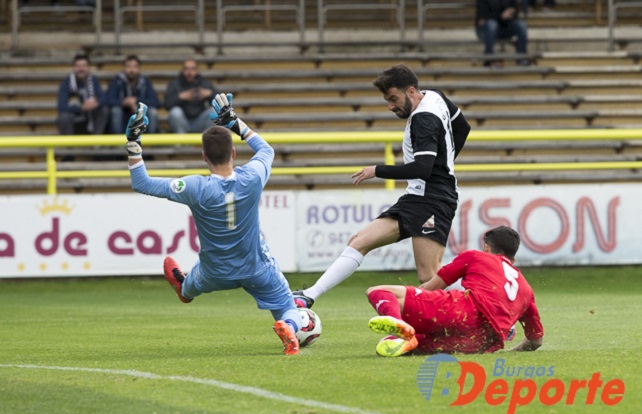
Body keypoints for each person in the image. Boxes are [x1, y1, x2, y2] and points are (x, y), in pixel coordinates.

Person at [124, 94, 302, 355]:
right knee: (289, 309)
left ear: (204, 156)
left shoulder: (195, 187)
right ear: (233, 152)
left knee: (188, 289)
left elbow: (142, 183)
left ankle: (184, 288)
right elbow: (267, 150)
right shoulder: (252, 177)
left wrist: (133, 143)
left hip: (214, 272)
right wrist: (235, 122)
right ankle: (287, 327)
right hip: (257, 268)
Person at [293, 64, 471, 309]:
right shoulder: (434, 95)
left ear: (410, 91)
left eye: (393, 99)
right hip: (417, 196)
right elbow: (463, 127)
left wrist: (377, 170)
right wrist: (446, 160)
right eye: (387, 100)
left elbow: (422, 168)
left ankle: (487, 304)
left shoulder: (424, 120)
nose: (390, 106)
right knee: (359, 241)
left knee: (429, 276)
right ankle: (308, 295)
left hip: (434, 200)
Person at [365, 226, 544, 357]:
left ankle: (398, 324)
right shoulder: (527, 290)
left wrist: (414, 299)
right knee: (396, 343)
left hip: (463, 311)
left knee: (379, 291)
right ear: (514, 258)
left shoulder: (476, 256)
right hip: (481, 341)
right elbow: (536, 341)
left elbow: (431, 288)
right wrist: (509, 352)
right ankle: (409, 340)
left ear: (487, 247)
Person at [105, 55, 160, 135]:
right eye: (128, 66)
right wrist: (124, 102)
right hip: (123, 115)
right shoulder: (116, 81)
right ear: (124, 68)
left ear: (139, 68)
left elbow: (155, 102)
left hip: (141, 116)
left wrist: (136, 101)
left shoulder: (145, 82)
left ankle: (150, 143)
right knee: (115, 111)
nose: (131, 70)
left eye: (135, 67)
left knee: (152, 112)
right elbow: (108, 100)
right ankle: (118, 144)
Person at [56, 53, 108, 135]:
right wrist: (81, 107)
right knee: (63, 117)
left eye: (84, 66)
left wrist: (95, 104)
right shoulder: (66, 82)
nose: (81, 69)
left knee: (104, 110)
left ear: (88, 67)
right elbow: (61, 106)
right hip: (74, 118)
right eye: (78, 66)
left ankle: (96, 143)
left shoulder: (94, 80)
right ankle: (69, 145)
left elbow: (103, 98)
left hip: (91, 117)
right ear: (73, 67)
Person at [164, 59, 217, 134]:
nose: (189, 72)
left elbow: (219, 104)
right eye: (186, 69)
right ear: (182, 70)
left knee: (214, 111)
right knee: (175, 112)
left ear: (197, 70)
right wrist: (180, 97)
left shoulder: (205, 83)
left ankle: (207, 140)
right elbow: (166, 104)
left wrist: (209, 94)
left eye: (192, 69)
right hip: (182, 121)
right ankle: (181, 143)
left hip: (200, 120)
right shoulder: (174, 84)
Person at [475, 0, 529, 67]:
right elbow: (483, 17)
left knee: (522, 25)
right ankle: (488, 58)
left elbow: (514, 14)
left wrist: (509, 14)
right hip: (485, 31)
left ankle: (521, 58)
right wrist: (501, 15)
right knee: (492, 24)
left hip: (504, 27)